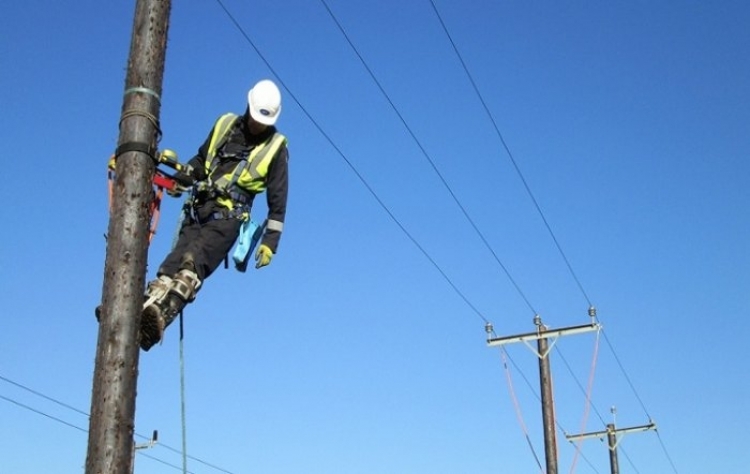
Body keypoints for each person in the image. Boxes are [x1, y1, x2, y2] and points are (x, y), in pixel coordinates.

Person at [139, 79, 289, 351]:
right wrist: (185, 176)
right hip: (198, 209)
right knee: (168, 269)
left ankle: (159, 319)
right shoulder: (225, 125)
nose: (258, 125)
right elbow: (200, 159)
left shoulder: (276, 148)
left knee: (190, 267)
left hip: (228, 218)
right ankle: (136, 314)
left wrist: (270, 243)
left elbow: (277, 203)